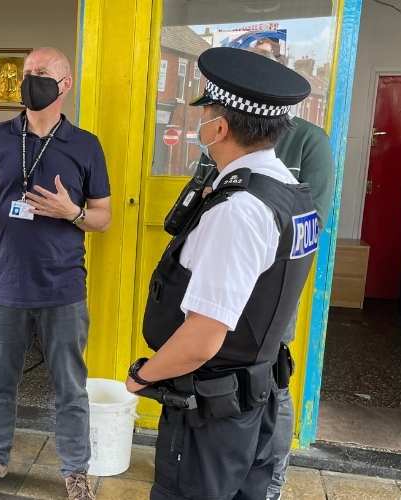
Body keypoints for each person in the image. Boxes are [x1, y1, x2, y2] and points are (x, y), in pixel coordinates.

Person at [124, 47, 317, 500]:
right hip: (254, 397)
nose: (201, 123)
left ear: (221, 126)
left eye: (206, 112)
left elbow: (203, 337)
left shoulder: (240, 210)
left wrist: (143, 377)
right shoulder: (291, 193)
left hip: (213, 413)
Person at [0, 47, 111, 500]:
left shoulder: (86, 145)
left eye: (42, 74)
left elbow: (103, 216)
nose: (31, 80)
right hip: (4, 285)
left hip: (63, 286)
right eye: (27, 72)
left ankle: (75, 471)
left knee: (70, 388)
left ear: (65, 84)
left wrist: (72, 213)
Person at [192, 45, 335, 500]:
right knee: (222, 384)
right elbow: (203, 194)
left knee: (269, 383)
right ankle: (234, 472)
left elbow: (312, 220)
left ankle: (270, 474)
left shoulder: (308, 141)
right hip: (220, 277)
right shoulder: (222, 142)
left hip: (265, 294)